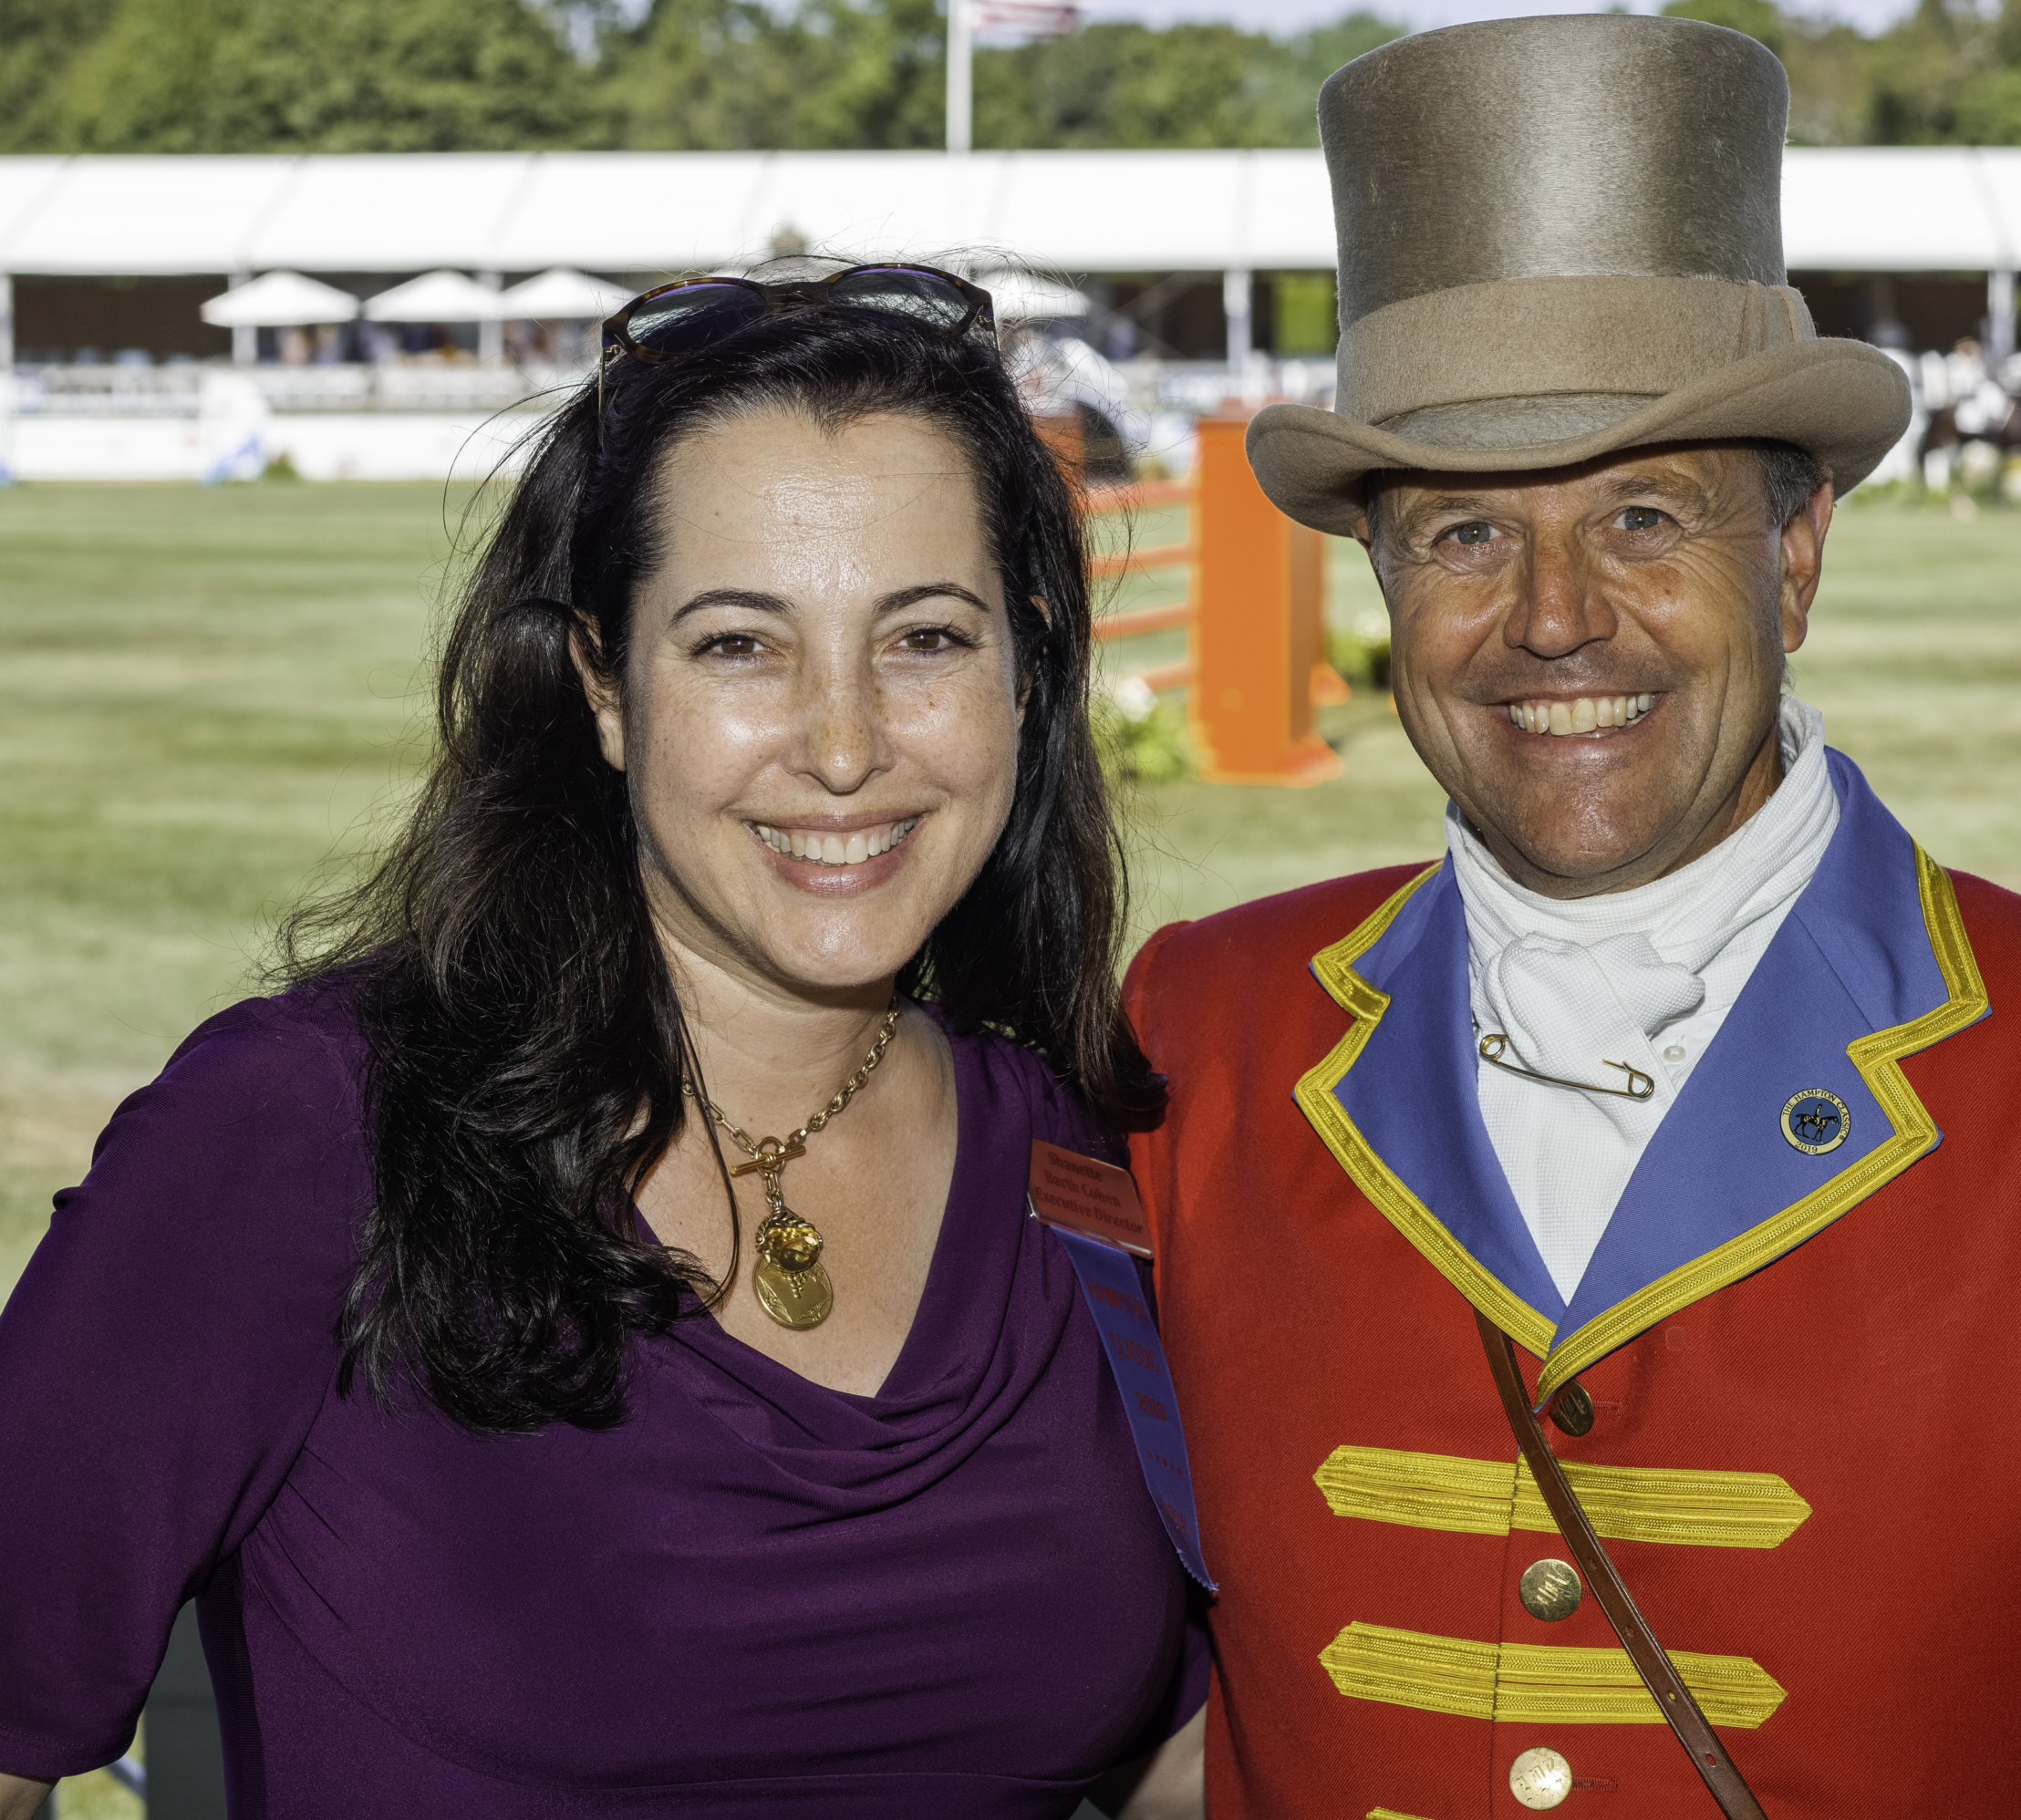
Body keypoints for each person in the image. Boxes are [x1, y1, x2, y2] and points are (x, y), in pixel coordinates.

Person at [1122, 17, 2021, 1816]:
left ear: (1792, 554)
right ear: (1375, 578)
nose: (1549, 619)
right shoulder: (1203, 1032)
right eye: (1461, 534)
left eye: (1638, 519)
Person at [0, 267, 1207, 1818]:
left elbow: (1180, 1748)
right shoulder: (303, 1130)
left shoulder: (1078, 1158)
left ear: (1025, 676)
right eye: (735, 647)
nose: (844, 746)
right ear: (601, 683)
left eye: (923, 639)